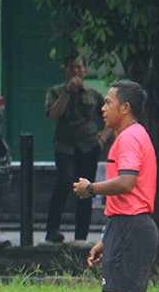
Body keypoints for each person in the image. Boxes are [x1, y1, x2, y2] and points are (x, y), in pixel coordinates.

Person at [72, 80, 157, 292]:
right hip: (132, 226)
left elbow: (126, 183)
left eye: (108, 102)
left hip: (131, 226)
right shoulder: (136, 135)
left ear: (126, 108)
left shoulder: (130, 138)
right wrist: (105, 239)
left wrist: (90, 189)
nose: (102, 107)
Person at [43, 53, 114, 244]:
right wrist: (67, 92)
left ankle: (81, 236)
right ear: (65, 70)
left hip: (89, 146)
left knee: (86, 190)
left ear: (85, 71)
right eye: (71, 67)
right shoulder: (55, 92)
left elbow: (111, 117)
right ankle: (52, 231)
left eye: (79, 67)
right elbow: (54, 114)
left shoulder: (93, 94)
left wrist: (102, 138)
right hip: (65, 146)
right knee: (65, 183)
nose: (75, 71)